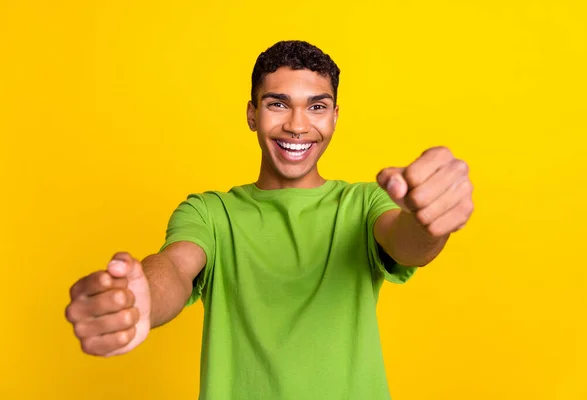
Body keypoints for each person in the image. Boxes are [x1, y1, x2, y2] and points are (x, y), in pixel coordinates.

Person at [65, 40, 474, 400]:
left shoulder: (362, 203)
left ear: (335, 116)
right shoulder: (210, 213)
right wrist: (140, 301)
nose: (297, 125)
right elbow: (173, 267)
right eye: (278, 104)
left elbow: (407, 243)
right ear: (251, 114)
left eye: (317, 106)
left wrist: (428, 219)